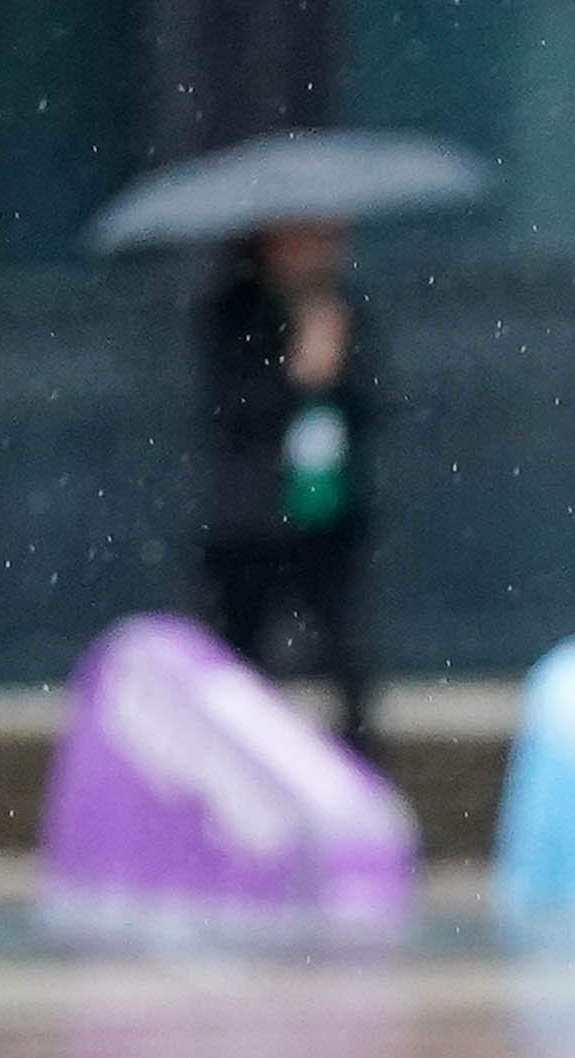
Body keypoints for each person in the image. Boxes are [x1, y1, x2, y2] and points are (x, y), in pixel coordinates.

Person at [197, 221, 383, 772]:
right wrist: (292, 376)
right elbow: (228, 414)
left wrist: (333, 374)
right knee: (240, 664)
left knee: (346, 658)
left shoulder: (345, 310)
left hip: (327, 516)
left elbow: (370, 407)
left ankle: (364, 779)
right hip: (250, 526)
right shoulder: (233, 314)